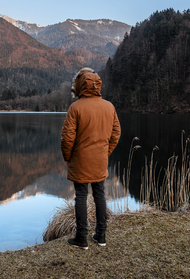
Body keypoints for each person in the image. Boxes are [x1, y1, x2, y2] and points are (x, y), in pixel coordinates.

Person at [60, 67, 121, 249]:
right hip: (100, 160)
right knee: (100, 194)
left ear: (80, 86)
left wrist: (68, 156)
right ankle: (101, 236)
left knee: (80, 196)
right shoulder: (109, 107)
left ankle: (81, 237)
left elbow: (67, 138)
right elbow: (116, 133)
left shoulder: (76, 108)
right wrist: (105, 152)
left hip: (80, 160)